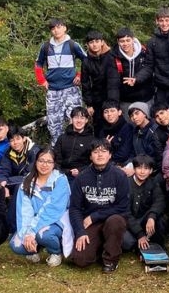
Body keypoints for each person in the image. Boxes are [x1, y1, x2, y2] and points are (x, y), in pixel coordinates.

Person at [68, 140, 131, 273]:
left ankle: (111, 260)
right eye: (96, 152)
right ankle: (101, 246)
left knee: (115, 221)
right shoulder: (82, 177)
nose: (100, 155)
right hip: (91, 223)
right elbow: (75, 208)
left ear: (110, 155)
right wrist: (80, 231)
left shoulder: (120, 176)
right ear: (90, 156)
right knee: (80, 259)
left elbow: (123, 207)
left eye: (103, 151)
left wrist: (95, 216)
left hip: (113, 219)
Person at [9, 148, 73, 267]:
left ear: (54, 164)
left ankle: (55, 252)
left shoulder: (60, 180)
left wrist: (32, 231)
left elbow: (52, 210)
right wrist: (27, 234)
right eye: (41, 161)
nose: (44, 165)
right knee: (16, 244)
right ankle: (35, 249)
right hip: (34, 222)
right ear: (36, 162)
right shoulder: (27, 181)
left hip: (56, 220)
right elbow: (24, 211)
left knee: (43, 235)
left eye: (49, 162)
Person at [34, 18, 86, 146]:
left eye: (58, 27)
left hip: (71, 88)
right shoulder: (45, 46)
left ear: (65, 28)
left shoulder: (73, 44)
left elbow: (87, 61)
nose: (56, 30)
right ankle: (56, 153)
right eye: (53, 28)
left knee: (76, 120)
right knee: (54, 124)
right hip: (53, 90)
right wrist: (42, 81)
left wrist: (80, 75)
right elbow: (38, 64)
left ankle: (77, 147)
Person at [0, 126, 41, 235]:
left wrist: (7, 182)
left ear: (24, 138)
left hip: (35, 183)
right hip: (14, 181)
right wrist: (2, 183)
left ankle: (12, 226)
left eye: (17, 139)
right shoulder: (9, 152)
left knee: (18, 188)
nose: (15, 143)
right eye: (11, 140)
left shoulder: (34, 151)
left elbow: (30, 174)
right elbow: (3, 170)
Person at [123, 155, 166, 252]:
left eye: (146, 168)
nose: (142, 172)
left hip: (145, 221)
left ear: (151, 171)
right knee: (127, 242)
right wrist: (139, 234)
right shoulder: (125, 184)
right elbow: (125, 212)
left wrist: (152, 217)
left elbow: (160, 201)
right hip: (128, 223)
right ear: (134, 169)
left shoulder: (153, 183)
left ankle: (158, 246)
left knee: (160, 220)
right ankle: (140, 246)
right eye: (139, 168)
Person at [80, 30, 120, 133]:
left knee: (116, 124)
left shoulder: (112, 55)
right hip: (97, 99)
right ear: (87, 44)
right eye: (91, 42)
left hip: (114, 96)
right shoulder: (86, 61)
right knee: (99, 126)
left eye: (97, 41)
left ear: (102, 42)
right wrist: (89, 104)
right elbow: (85, 83)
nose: (94, 45)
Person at [113, 27, 153, 115]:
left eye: (128, 40)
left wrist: (136, 78)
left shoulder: (144, 52)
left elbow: (149, 68)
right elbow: (112, 81)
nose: (125, 43)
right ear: (118, 41)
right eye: (122, 41)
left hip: (146, 98)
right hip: (125, 100)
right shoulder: (113, 56)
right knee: (129, 127)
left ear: (133, 39)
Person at [53, 106, 95, 179]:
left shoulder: (91, 140)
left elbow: (93, 162)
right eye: (76, 117)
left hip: (83, 175)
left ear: (86, 120)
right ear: (71, 119)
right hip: (61, 174)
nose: (79, 121)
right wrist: (65, 171)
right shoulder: (62, 138)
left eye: (82, 118)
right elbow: (56, 159)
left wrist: (80, 170)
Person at [97, 99, 135, 174]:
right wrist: (106, 146)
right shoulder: (103, 130)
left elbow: (124, 153)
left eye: (112, 111)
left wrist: (107, 151)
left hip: (127, 162)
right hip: (109, 162)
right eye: (106, 112)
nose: (109, 114)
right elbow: (99, 151)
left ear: (119, 112)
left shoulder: (127, 128)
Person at [127, 101, 163, 168]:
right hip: (139, 164)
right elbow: (133, 152)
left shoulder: (155, 130)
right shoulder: (135, 131)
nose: (134, 117)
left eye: (137, 113)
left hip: (151, 168)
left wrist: (137, 167)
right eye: (131, 116)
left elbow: (156, 157)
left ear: (145, 114)